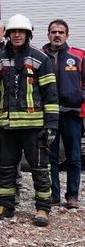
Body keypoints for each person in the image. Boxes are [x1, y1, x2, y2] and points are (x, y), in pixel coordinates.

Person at [0, 14, 59, 226]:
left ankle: (43, 209)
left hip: (34, 127)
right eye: (13, 32)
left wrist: (51, 125)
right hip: (6, 127)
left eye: (21, 32)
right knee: (5, 169)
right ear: (8, 34)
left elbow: (50, 95)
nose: (17, 35)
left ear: (28, 34)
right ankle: (5, 206)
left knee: (40, 170)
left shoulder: (40, 59)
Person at [42, 19, 83, 209]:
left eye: (60, 32)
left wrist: (79, 99)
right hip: (48, 115)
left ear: (67, 35)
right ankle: (54, 195)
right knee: (50, 157)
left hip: (72, 115)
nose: (57, 35)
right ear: (48, 34)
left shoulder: (78, 56)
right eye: (53, 32)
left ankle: (72, 196)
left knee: (74, 157)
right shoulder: (40, 56)